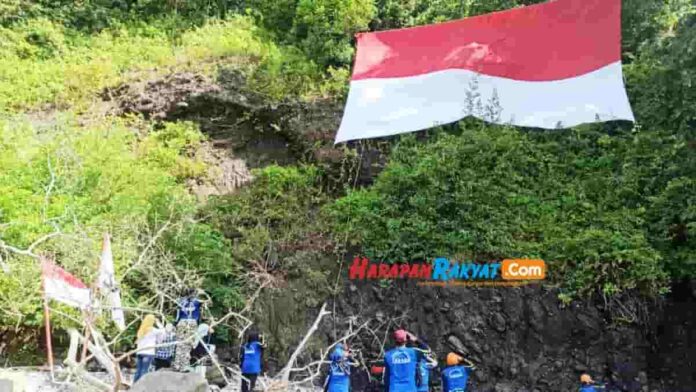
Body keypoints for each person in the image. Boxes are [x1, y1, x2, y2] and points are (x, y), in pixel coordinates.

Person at [173, 288, 202, 371]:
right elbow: (207, 301)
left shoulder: (180, 301)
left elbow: (177, 315)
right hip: (192, 322)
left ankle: (177, 364)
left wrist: (175, 323)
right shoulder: (197, 301)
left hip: (182, 322)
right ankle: (184, 365)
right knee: (188, 344)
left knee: (180, 343)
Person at [134, 315, 163, 383]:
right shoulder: (153, 330)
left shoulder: (141, 330)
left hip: (139, 352)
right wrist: (158, 323)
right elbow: (162, 331)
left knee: (138, 371)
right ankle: (141, 388)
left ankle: (134, 386)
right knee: (144, 371)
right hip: (148, 353)